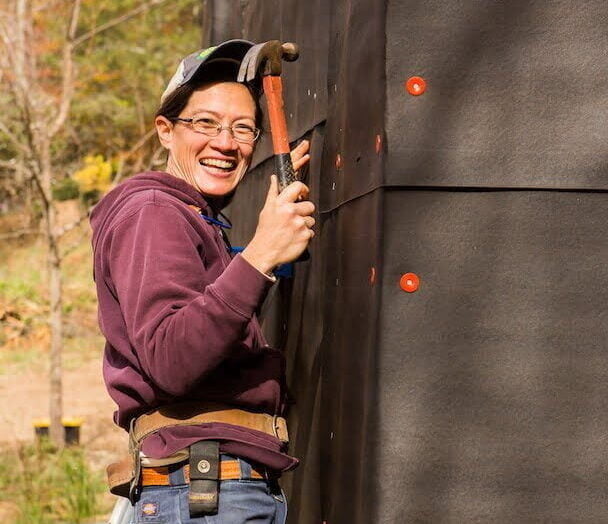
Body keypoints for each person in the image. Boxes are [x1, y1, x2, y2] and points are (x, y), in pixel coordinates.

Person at [90, 40, 314, 523]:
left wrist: (263, 246)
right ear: (166, 131)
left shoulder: (192, 220)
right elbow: (172, 358)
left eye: (243, 128)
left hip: (208, 485)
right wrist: (261, 254)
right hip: (206, 490)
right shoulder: (153, 212)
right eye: (205, 123)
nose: (226, 142)